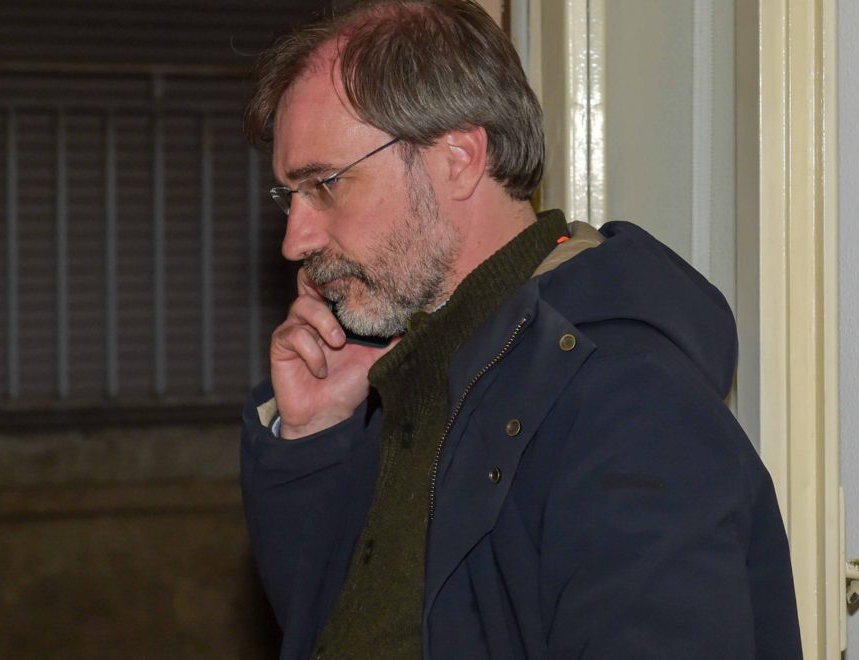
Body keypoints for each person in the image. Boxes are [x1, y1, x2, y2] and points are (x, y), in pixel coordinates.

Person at [239, 1, 803, 658]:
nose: (296, 240)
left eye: (325, 185)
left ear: (458, 157)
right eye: (291, 196)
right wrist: (315, 440)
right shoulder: (429, 366)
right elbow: (344, 629)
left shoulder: (629, 403)